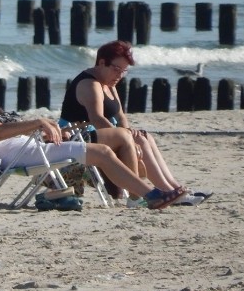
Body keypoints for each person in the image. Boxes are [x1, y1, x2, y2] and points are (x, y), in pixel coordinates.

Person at [0, 90, 184, 210]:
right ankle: (151, 195)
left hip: (31, 150)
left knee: (103, 154)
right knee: (102, 152)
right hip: (30, 155)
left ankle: (152, 192)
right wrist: (38, 122)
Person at [60, 40, 210, 206]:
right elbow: (97, 118)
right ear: (102, 63)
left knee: (145, 137)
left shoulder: (109, 84)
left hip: (96, 136)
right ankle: (162, 192)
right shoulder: (90, 83)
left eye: (124, 71)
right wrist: (126, 136)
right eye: (116, 69)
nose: (120, 75)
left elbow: (121, 116)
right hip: (76, 138)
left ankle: (173, 188)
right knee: (134, 138)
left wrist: (129, 132)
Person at [0, 81, 144, 195]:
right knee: (122, 141)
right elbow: (11, 133)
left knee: (131, 152)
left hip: (47, 144)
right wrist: (45, 129)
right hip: (43, 149)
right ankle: (141, 194)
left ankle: (145, 191)